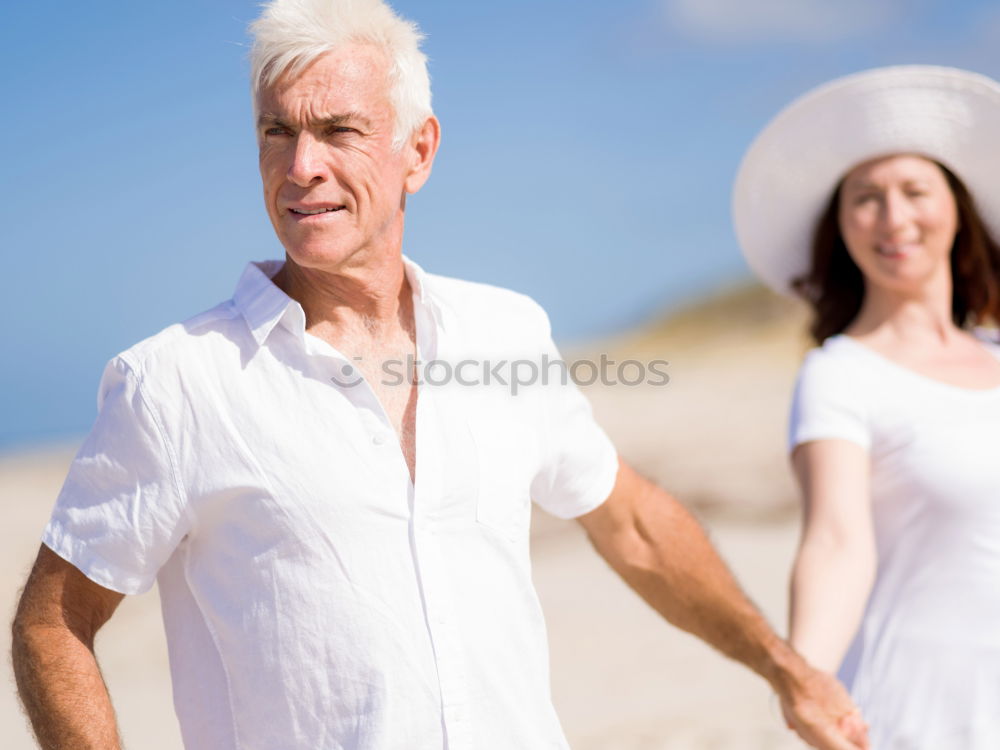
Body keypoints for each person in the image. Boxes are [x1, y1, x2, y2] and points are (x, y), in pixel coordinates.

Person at [11, 1, 867, 749]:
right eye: (277, 131)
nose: (300, 164)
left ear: (417, 151)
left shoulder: (506, 331)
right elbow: (53, 621)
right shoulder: (176, 381)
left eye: (337, 129)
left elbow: (631, 522)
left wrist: (786, 670)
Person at [733, 65, 1000, 749]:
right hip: (918, 719)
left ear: (957, 207)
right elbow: (836, 541)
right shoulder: (841, 375)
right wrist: (809, 684)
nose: (894, 218)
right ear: (840, 224)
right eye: (865, 198)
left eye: (915, 190)